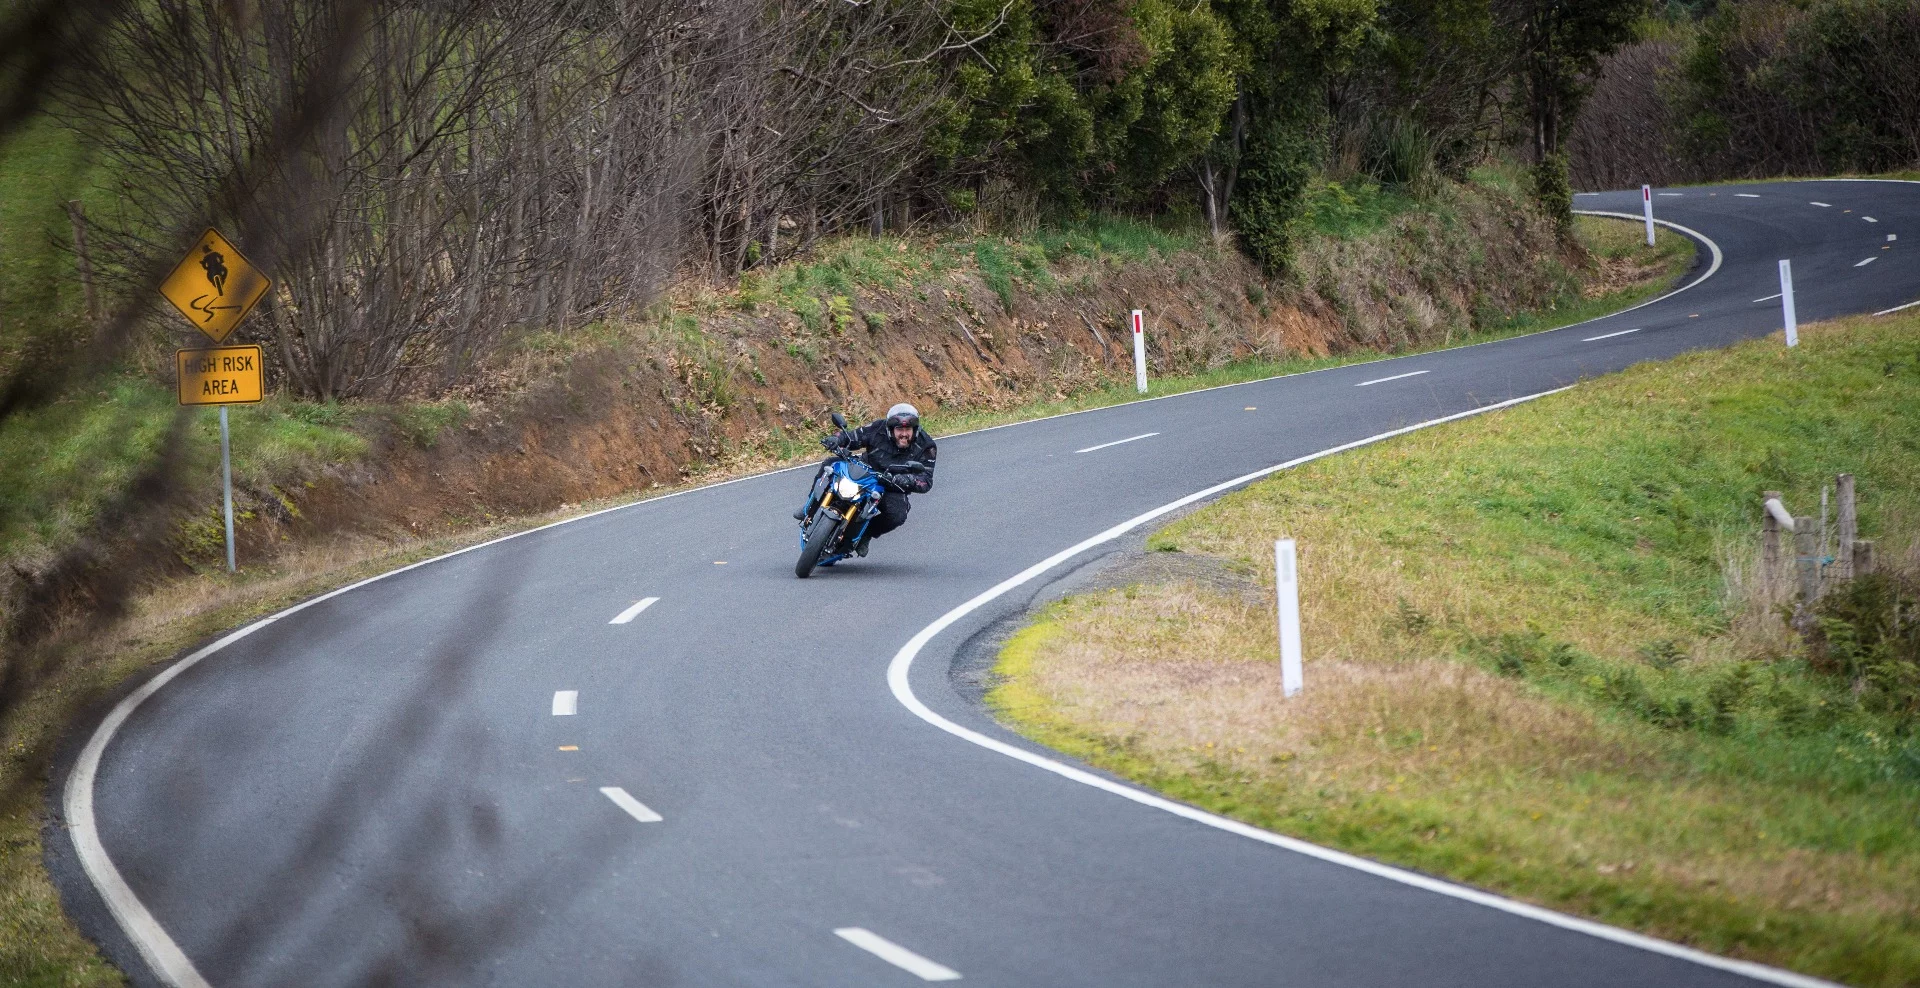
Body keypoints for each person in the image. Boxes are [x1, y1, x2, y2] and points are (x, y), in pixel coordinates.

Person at [794, 403, 936, 555]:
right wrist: (836, 439)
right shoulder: (878, 428)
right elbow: (853, 437)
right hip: (864, 471)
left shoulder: (927, 445)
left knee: (898, 515)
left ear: (914, 430)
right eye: (899, 429)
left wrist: (904, 479)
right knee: (830, 464)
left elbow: (925, 480)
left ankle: (866, 535)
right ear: (890, 429)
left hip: (890, 484)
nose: (904, 434)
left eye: (907, 430)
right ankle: (810, 507)